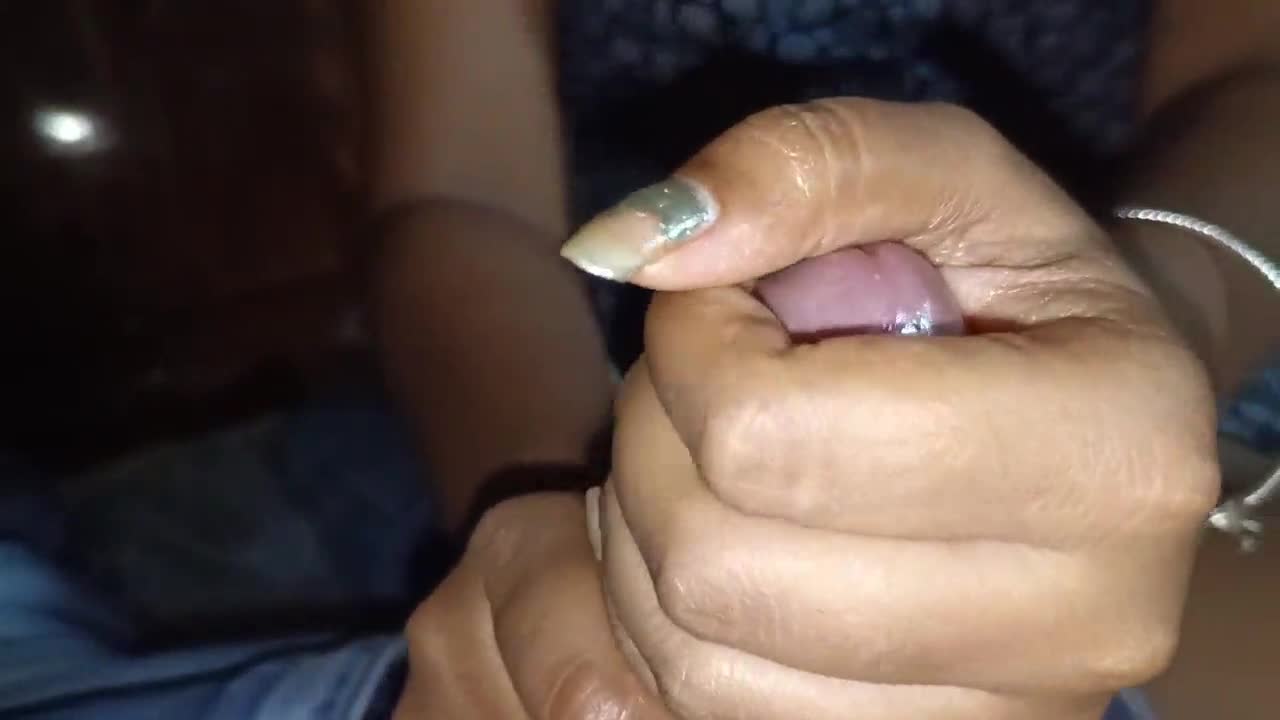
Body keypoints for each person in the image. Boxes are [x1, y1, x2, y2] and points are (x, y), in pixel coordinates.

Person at [4, 2, 1276, 719]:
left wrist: (1141, 318)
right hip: (594, 342)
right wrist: (574, 545)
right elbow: (459, 197)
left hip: (1182, 292)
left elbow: (1253, 78)